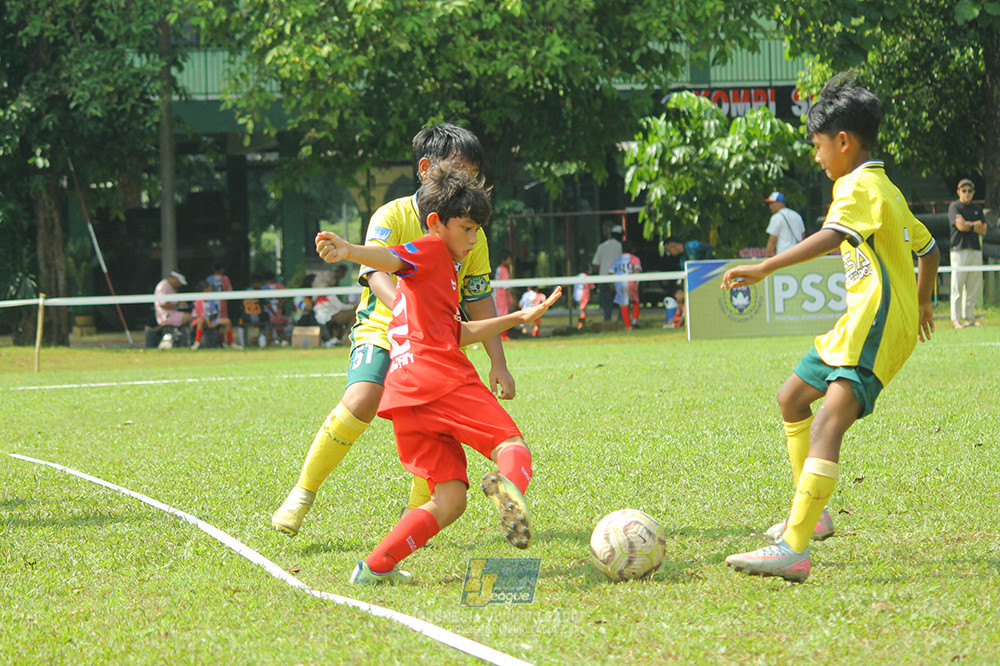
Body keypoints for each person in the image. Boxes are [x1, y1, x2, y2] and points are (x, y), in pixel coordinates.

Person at [719, 74, 940, 583]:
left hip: (877, 322)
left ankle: (793, 549)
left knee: (827, 424)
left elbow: (831, 236)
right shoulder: (887, 189)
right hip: (863, 319)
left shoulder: (858, 186)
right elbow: (928, 250)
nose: (817, 158)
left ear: (843, 142)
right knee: (792, 398)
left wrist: (764, 267)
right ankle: (813, 515)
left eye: (818, 146)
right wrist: (924, 302)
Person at [315, 165, 562, 584]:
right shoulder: (430, 251)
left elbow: (457, 331)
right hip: (440, 375)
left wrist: (519, 315)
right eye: (465, 228)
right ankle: (508, 489)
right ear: (435, 223)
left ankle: (375, 568)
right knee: (512, 447)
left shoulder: (441, 275)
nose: (472, 239)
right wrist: (350, 249)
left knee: (449, 500)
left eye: (477, 230)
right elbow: (391, 258)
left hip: (406, 394)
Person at [270, 123, 516, 537]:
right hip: (383, 327)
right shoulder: (393, 214)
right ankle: (302, 494)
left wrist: (499, 361)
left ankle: (412, 521)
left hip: (435, 340)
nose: (467, 181)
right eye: (459, 169)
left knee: (436, 425)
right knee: (363, 397)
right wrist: (407, 309)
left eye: (473, 173)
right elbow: (376, 272)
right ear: (425, 168)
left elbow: (479, 295)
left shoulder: (473, 231)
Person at [948, 178, 987, 328]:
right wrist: (974, 225)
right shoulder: (954, 207)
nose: (967, 193)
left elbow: (983, 229)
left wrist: (968, 224)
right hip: (959, 250)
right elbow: (960, 226)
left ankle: (970, 317)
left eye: (970, 191)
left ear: (973, 192)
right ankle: (956, 319)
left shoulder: (977, 208)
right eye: (964, 190)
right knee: (957, 286)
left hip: (975, 250)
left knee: (972, 287)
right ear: (959, 192)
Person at [591, 225, 623, 322]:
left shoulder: (602, 246)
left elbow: (595, 263)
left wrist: (603, 271)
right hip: (617, 278)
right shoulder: (620, 246)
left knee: (606, 302)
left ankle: (607, 320)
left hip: (604, 278)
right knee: (622, 301)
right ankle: (620, 320)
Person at [191, 280, 235, 350]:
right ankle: (197, 342)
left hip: (211, 320)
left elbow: (214, 313)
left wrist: (213, 321)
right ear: (205, 290)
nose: (211, 289)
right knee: (200, 320)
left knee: (227, 321)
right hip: (202, 321)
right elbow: (195, 316)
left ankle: (230, 343)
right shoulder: (197, 302)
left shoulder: (211, 301)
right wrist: (206, 320)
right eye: (209, 288)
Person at [764, 191, 806, 256]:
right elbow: (803, 237)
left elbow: (772, 242)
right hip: (798, 255)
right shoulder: (797, 215)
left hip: (783, 255)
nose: (770, 206)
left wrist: (766, 258)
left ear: (780, 203)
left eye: (772, 203)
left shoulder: (776, 217)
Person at [611, 241, 642, 329]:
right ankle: (635, 318)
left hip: (620, 283)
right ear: (633, 249)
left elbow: (611, 272)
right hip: (631, 282)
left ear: (621, 250)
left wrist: (613, 283)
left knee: (623, 304)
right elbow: (637, 270)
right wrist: (637, 282)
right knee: (635, 300)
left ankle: (628, 326)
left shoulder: (618, 260)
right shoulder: (635, 259)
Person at [493, 253, 513, 340]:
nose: (510, 261)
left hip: (497, 293)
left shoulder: (499, 269)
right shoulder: (504, 270)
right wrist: (511, 297)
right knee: (503, 314)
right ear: (504, 260)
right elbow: (506, 286)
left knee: (500, 313)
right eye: (509, 259)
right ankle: (503, 335)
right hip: (501, 295)